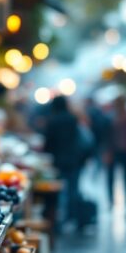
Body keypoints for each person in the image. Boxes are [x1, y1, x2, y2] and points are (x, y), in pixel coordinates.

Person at [43, 96, 84, 228]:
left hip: (58, 160)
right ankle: (74, 217)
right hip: (74, 159)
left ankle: (59, 221)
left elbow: (48, 143)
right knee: (73, 188)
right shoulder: (72, 119)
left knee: (59, 191)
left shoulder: (53, 121)